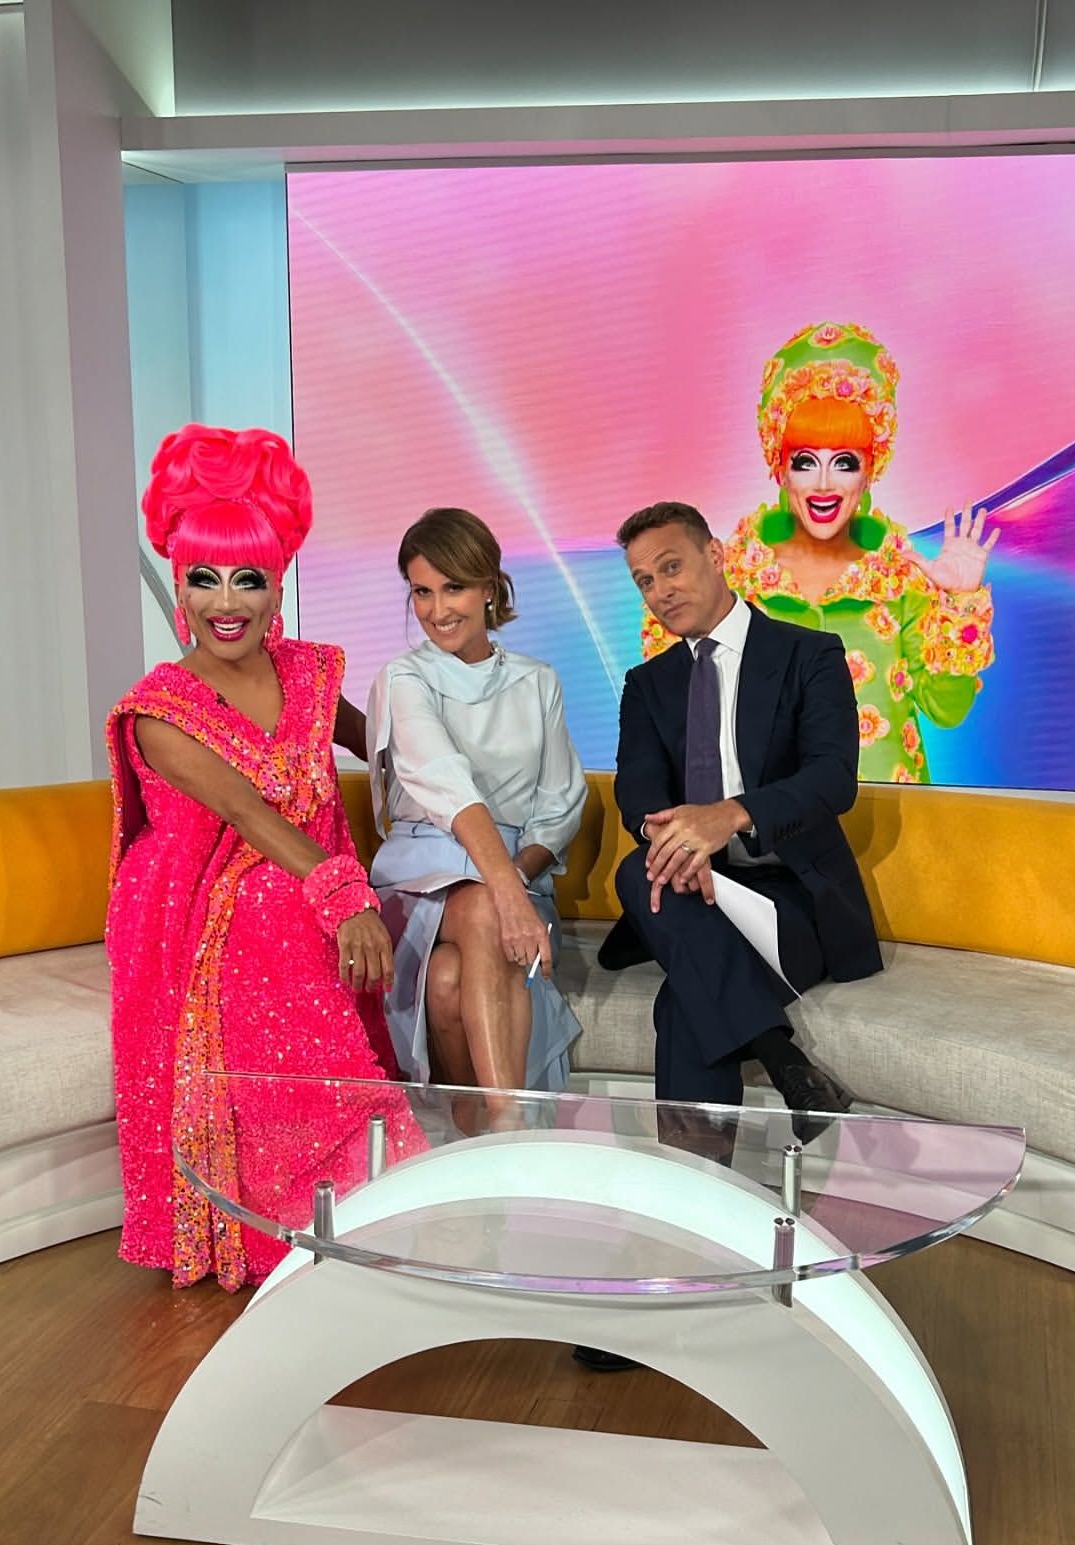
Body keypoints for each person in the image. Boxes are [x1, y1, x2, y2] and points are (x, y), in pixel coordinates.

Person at [107, 423, 423, 1291]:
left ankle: (365, 1198)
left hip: (295, 886)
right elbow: (245, 811)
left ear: (278, 583)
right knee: (272, 908)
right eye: (203, 578)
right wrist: (346, 896)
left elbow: (388, 745)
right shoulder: (159, 709)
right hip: (194, 906)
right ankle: (299, 1216)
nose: (226, 601)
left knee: (291, 908)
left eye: (248, 578)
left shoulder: (309, 673)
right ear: (179, 586)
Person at [602, 500, 881, 1125]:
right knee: (638, 868)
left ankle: (692, 1184)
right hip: (692, 892)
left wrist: (728, 816)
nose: (660, 591)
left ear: (716, 555)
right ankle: (787, 1065)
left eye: (671, 567)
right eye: (644, 581)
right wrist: (677, 842)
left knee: (683, 1004)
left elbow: (833, 779)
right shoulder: (647, 685)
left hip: (791, 899)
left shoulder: (808, 654)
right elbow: (637, 792)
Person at [644, 322, 998, 784]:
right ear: (780, 466)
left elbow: (946, 710)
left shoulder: (901, 577)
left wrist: (961, 602)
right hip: (764, 820)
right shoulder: (729, 577)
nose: (825, 484)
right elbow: (680, 720)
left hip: (887, 818)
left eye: (845, 462)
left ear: (870, 470)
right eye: (805, 461)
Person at [366, 509, 587, 1122]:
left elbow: (560, 803)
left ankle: (474, 1136)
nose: (437, 610)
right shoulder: (404, 677)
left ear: (490, 587)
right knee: (489, 908)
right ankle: (509, 1123)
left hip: (514, 870)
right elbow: (444, 780)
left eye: (454, 588)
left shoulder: (537, 681)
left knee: (446, 981)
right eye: (421, 592)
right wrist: (505, 893)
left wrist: (515, 877)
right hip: (421, 876)